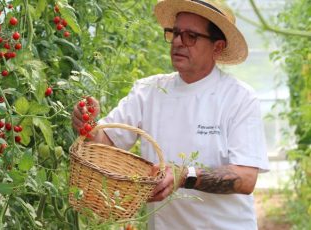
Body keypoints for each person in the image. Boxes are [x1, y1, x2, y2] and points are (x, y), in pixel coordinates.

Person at [72, 0, 269, 229]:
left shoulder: (238, 98)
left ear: (217, 47)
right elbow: (104, 143)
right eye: (175, 33)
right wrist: (88, 122)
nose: (177, 42)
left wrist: (185, 175)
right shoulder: (149, 91)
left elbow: (245, 178)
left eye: (190, 36)